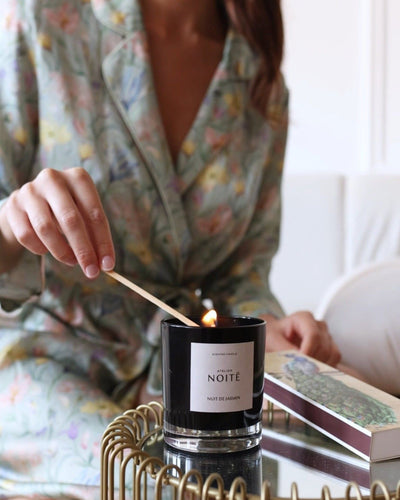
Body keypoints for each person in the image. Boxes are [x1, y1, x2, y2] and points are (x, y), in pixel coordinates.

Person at [0, 0, 340, 497]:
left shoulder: (258, 78)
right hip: (44, 365)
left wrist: (272, 329)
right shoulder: (44, 21)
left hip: (185, 378)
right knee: (155, 484)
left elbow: (242, 274)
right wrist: (12, 225)